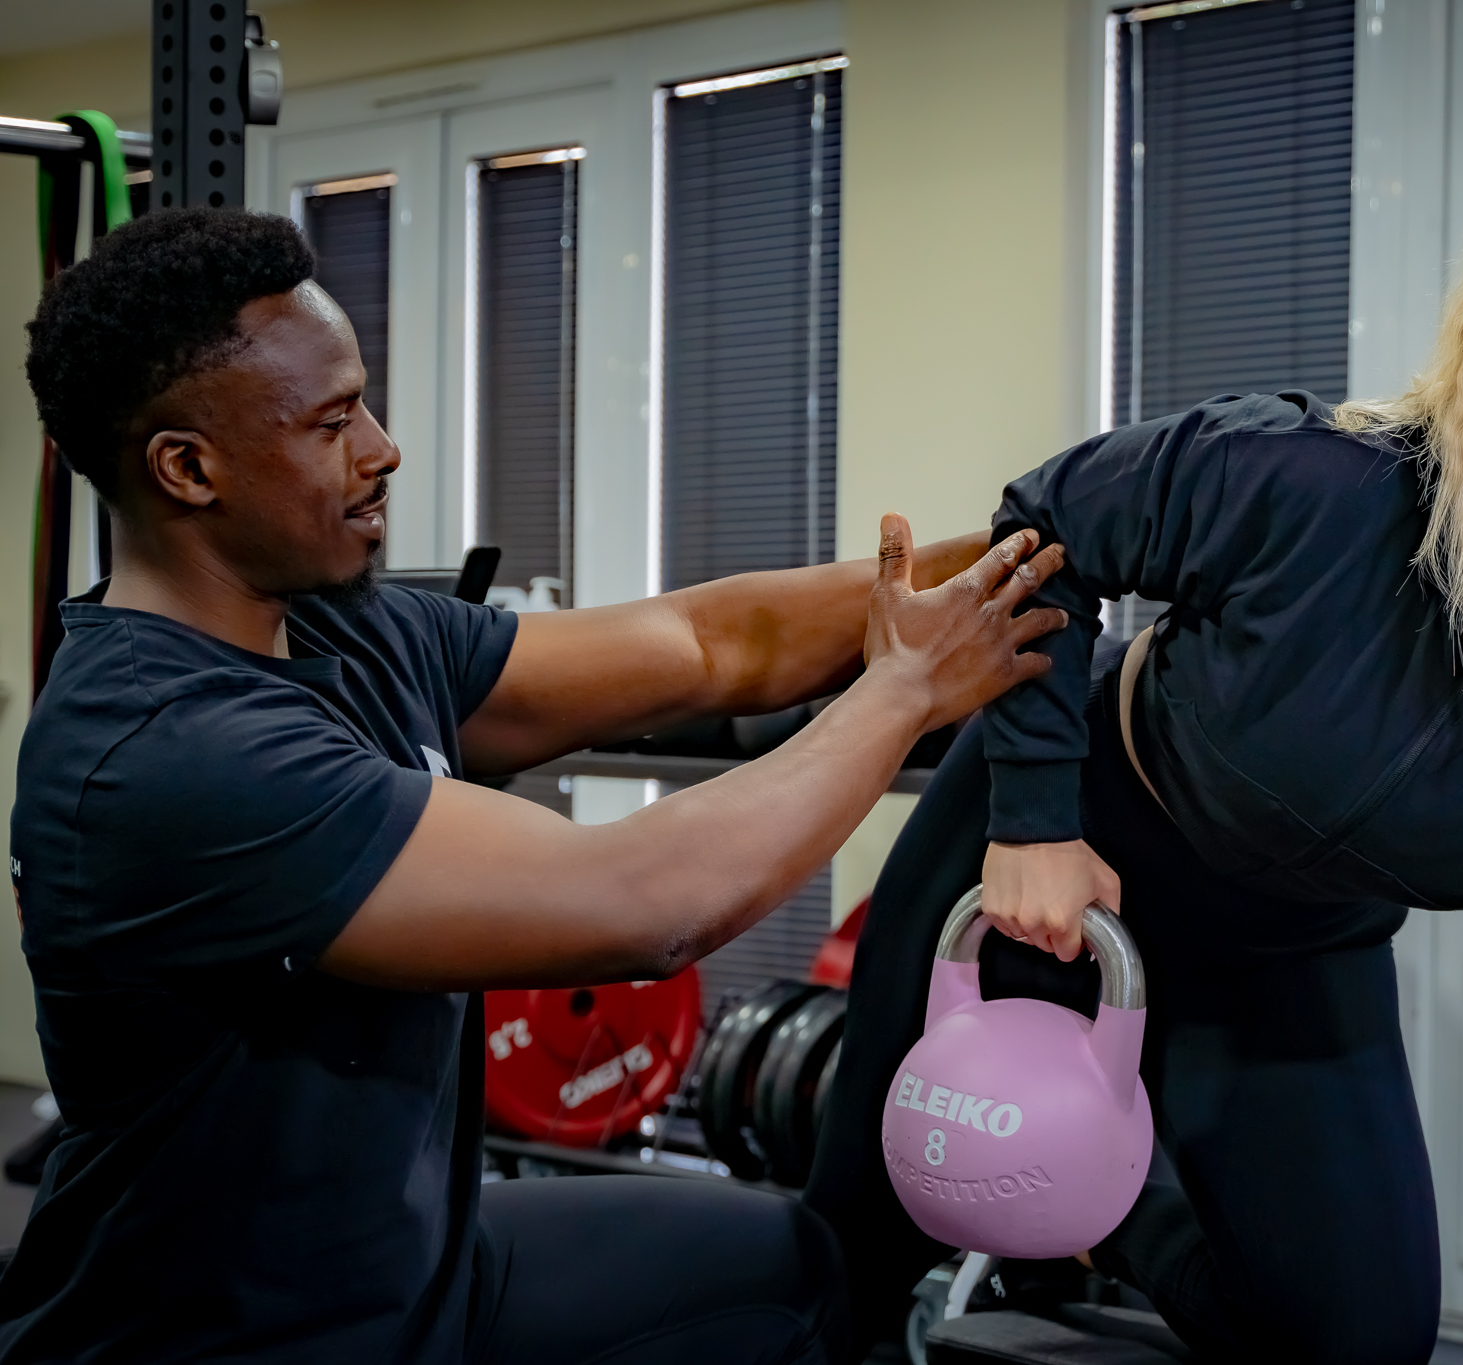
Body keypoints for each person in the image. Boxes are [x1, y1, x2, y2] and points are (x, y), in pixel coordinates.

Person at [6, 207, 1068, 1364]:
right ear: (188, 469)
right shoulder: (167, 752)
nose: (382, 446)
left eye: (362, 401)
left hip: (418, 1264)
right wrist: (906, 690)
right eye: (329, 423)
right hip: (236, 1338)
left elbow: (705, 644)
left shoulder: (342, 630)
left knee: (792, 1273)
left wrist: (1046, 542)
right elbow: (645, 902)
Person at [806, 156, 1463, 1365]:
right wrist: (1035, 821)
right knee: (859, 1249)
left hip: (1289, 974)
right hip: (1051, 886)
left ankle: (1106, 1210)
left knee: (1353, 1345)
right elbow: (1046, 527)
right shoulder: (1317, 486)